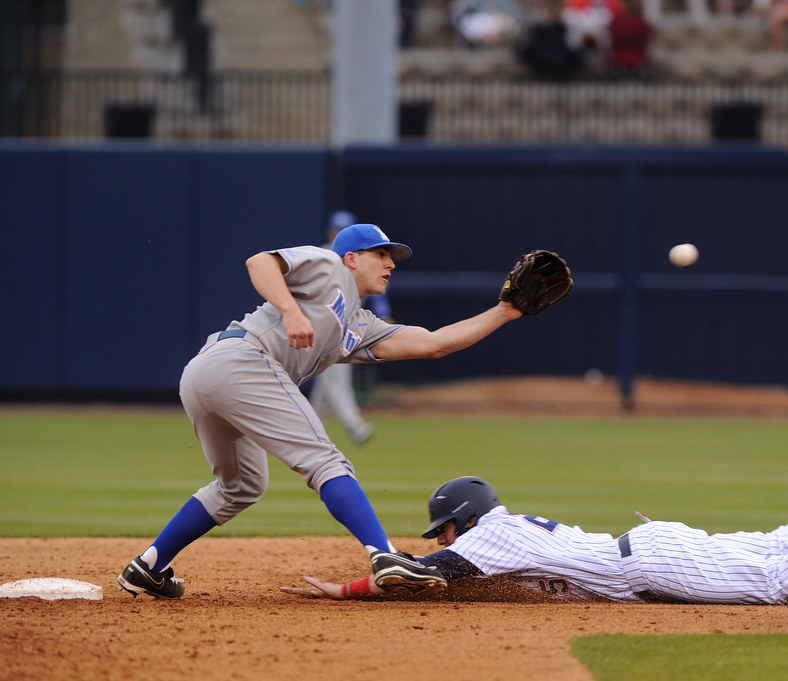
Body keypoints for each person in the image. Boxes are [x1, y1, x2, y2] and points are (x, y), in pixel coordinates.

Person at [117, 223, 554, 600]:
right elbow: (259, 262)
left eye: (392, 256)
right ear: (351, 258)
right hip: (240, 361)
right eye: (381, 253)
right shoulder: (328, 267)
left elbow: (434, 342)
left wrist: (506, 311)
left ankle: (148, 566)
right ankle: (383, 556)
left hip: (207, 376)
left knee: (241, 486)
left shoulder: (360, 325)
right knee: (326, 461)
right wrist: (290, 310)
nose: (391, 263)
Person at [281, 473, 788, 604]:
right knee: (778, 541)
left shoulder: (491, 537)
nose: (445, 536)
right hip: (650, 545)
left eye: (446, 525)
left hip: (650, 557)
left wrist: (345, 589)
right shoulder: (507, 526)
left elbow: (421, 574)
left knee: (772, 581)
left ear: (466, 516)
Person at [308, 211, 386, 446]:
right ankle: (355, 427)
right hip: (325, 325)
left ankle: (311, 429)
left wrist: (384, 316)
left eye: (344, 229)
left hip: (351, 324)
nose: (337, 233)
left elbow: (380, 294)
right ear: (329, 231)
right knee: (336, 379)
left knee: (326, 384)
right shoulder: (321, 255)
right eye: (336, 229)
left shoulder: (365, 257)